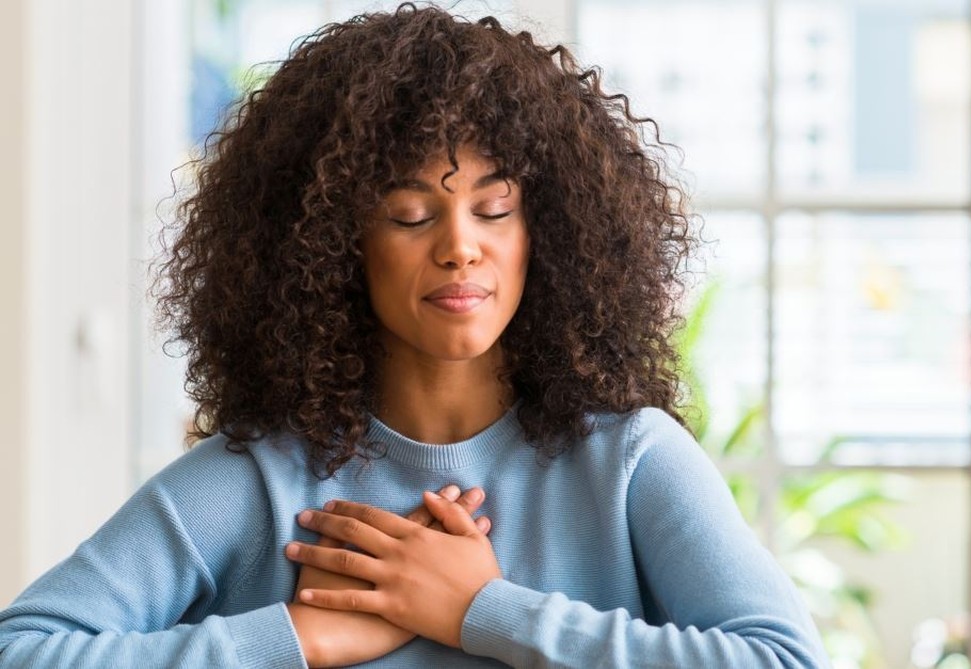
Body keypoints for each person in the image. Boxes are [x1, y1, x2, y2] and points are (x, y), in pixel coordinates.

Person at [0, 4, 829, 668]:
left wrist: (485, 611)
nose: (460, 244)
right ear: (330, 243)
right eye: (409, 213)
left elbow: (783, 657)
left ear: (548, 232)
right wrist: (297, 638)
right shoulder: (256, 480)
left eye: (494, 207)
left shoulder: (629, 464)